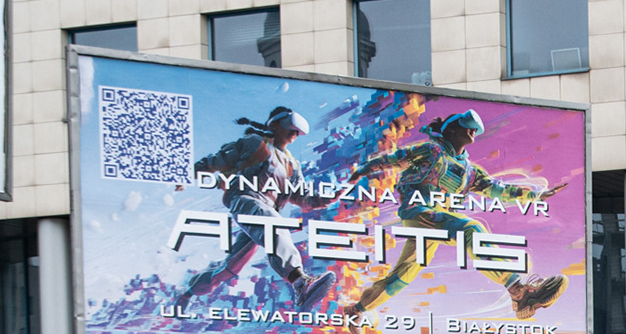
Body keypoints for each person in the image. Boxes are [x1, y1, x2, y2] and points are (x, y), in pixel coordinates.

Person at [341, 109, 567, 320]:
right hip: (419, 213)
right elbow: (393, 159)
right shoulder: (431, 151)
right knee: (472, 230)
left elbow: (498, 189)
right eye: (466, 126)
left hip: (438, 222)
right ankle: (518, 291)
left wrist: (535, 195)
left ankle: (356, 310)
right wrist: (362, 171)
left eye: (474, 129)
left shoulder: (470, 171)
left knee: (404, 274)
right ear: (451, 131)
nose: (472, 131)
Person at [180, 107, 338, 309]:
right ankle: (301, 283)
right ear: (275, 125)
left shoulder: (291, 164)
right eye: (290, 128)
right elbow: (217, 161)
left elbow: (301, 196)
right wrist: (186, 175)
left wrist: (322, 200)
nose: (294, 134)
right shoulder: (255, 143)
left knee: (231, 267)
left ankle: (188, 292)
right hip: (245, 198)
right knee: (273, 225)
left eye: (296, 132)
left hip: (266, 210)